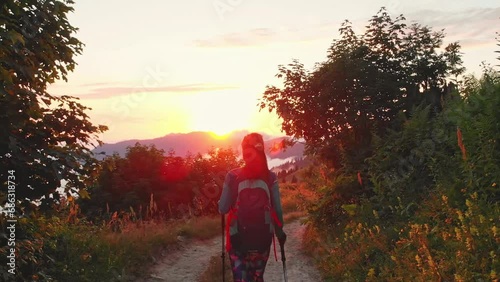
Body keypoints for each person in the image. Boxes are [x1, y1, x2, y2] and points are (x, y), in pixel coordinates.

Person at [219, 132, 286, 282]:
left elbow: (223, 208)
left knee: (241, 278)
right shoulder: (271, 178)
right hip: (263, 239)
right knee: (257, 277)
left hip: (238, 239)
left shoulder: (232, 176)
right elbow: (278, 210)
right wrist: (280, 233)